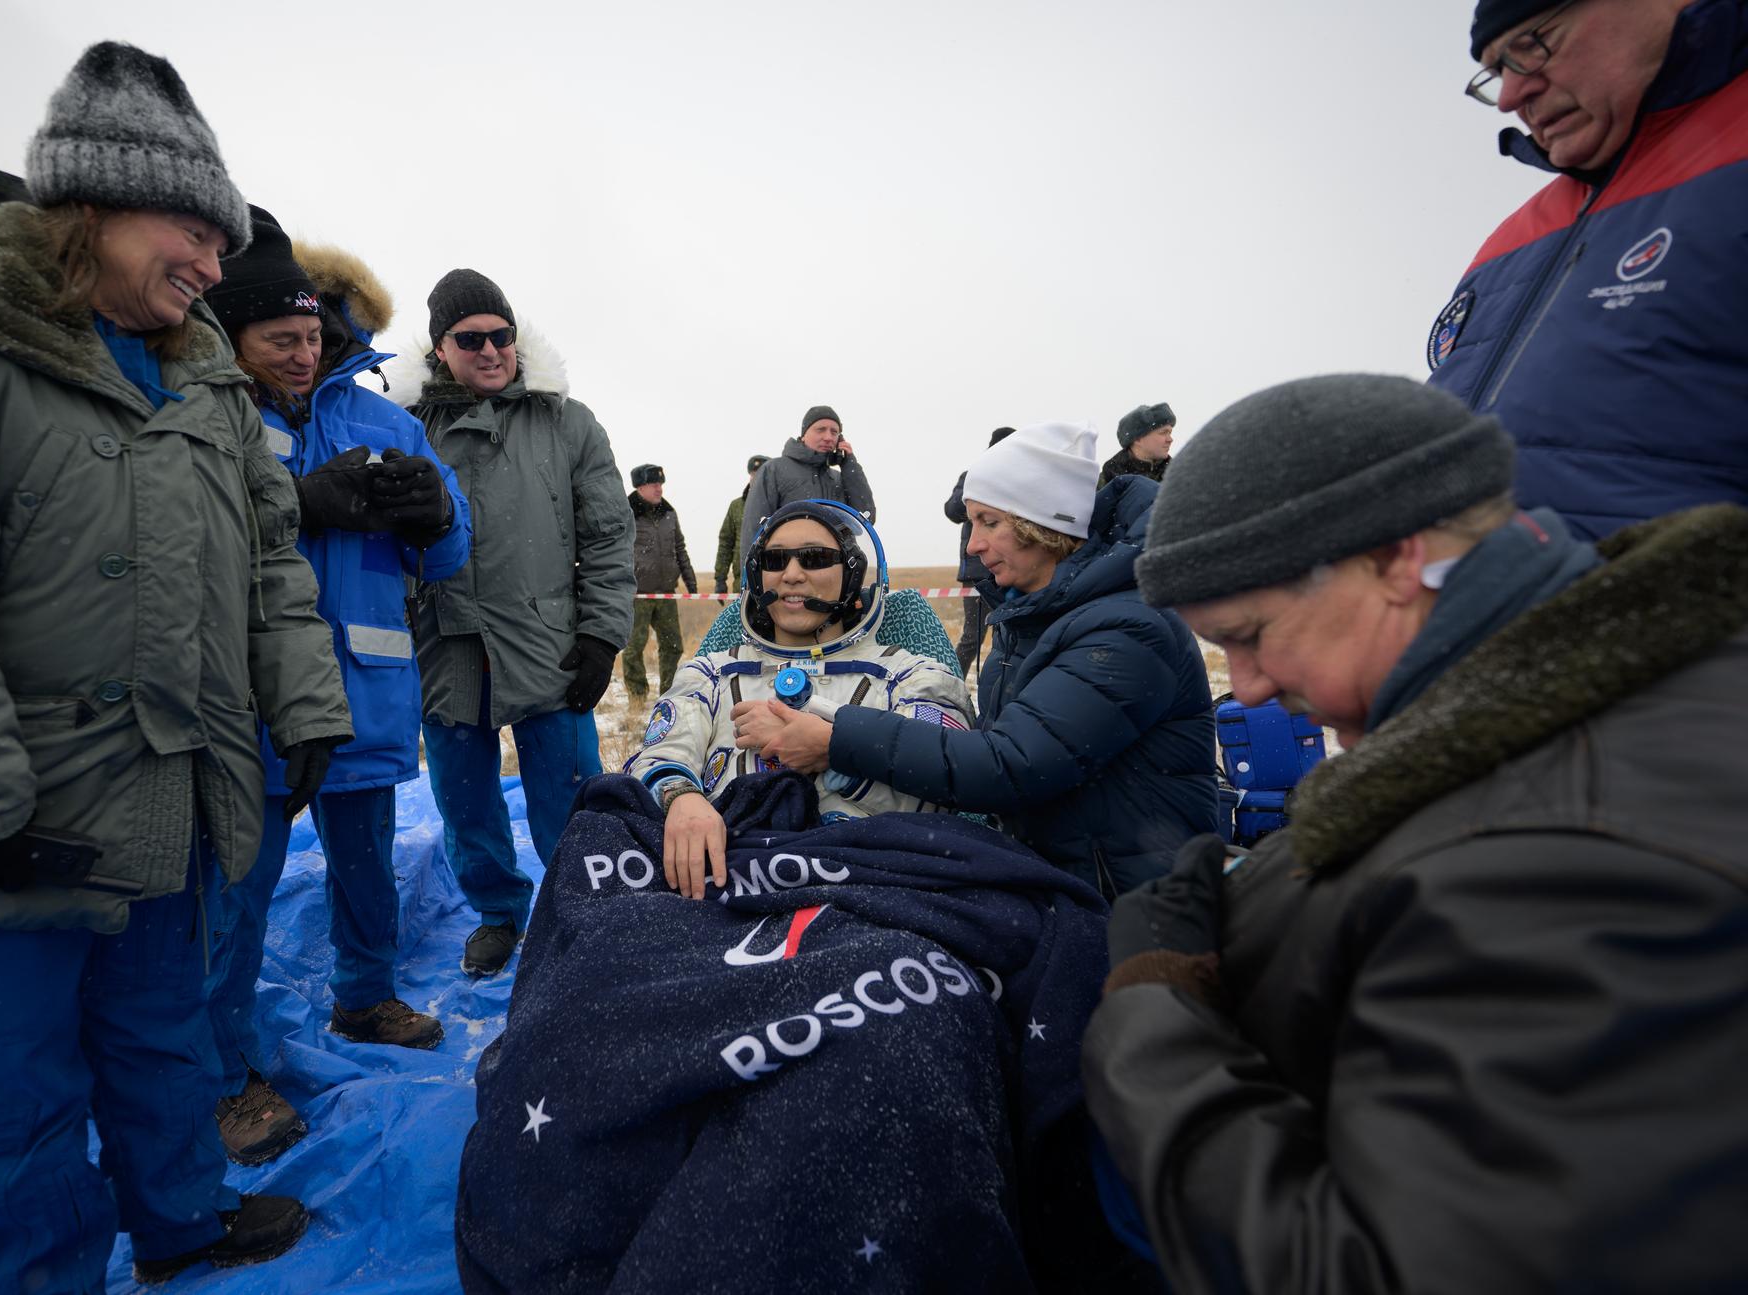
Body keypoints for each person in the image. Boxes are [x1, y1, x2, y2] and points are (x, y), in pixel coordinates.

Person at [0, 43, 350, 1290]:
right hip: (2, 814)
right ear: (97, 202)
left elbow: (270, 558)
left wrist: (305, 704)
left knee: (164, 1037)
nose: (216, 268)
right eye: (195, 231)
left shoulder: (204, 374)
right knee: (18, 1088)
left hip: (171, 786)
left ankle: (179, 1221)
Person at [1084, 373, 1748, 1291]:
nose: (1244, 687)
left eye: (1253, 632)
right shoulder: (1566, 717)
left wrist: (1154, 1012)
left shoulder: (1568, 865)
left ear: (1397, 557)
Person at [202, 207, 471, 1164]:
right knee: (235, 891)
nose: (303, 354)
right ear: (233, 337)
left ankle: (365, 995)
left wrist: (436, 513)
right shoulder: (209, 417)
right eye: (280, 339)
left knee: (368, 864)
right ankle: (224, 1072)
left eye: (315, 336)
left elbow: (450, 553)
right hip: (251, 703)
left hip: (364, 690)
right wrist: (295, 503)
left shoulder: (385, 419)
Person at [739, 423, 1219, 898]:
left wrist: (837, 738)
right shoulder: (1033, 619)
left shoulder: (1126, 630)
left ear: (1047, 524)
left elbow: (1009, 766)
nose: (972, 545)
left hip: (1135, 902)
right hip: (1060, 877)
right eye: (972, 524)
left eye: (989, 521)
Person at [1427, 0, 1748, 537]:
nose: (1509, 96)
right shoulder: (1509, 238)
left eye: (1530, 47)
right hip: (1482, 611)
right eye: (1497, 71)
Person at [408, 268, 634, 978]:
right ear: (440, 347)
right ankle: (498, 913)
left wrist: (601, 635)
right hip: (444, 644)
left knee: (571, 795)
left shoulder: (568, 421)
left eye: (500, 334)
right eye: (469, 338)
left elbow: (606, 534)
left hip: (549, 642)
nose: (489, 349)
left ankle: (589, 912)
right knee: (464, 798)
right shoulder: (408, 427)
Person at [624, 500, 972, 898]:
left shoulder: (912, 677)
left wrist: (836, 753)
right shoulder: (711, 674)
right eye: (774, 560)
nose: (791, 574)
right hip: (722, 884)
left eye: (815, 558)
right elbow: (659, 756)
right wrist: (682, 798)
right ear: (758, 577)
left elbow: (940, 791)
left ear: (852, 573)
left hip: (862, 891)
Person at [740, 405, 877, 548]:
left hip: (835, 567)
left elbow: (865, 519)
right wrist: (749, 570)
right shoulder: (773, 470)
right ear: (804, 434)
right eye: (821, 430)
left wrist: (850, 464)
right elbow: (753, 530)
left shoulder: (840, 479)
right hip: (789, 566)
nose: (828, 437)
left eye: (834, 432)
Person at [624, 463, 697, 700]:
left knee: (673, 646)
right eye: (654, 484)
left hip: (666, 592)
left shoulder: (669, 513)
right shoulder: (626, 514)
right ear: (641, 487)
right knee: (634, 647)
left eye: (661, 484)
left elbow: (679, 548)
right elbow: (616, 550)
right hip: (637, 594)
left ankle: (668, 693)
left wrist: (690, 580)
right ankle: (637, 696)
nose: (659, 489)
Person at [946, 427, 1015, 676]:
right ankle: (952, 682)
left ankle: (1004, 684)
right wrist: (981, 485)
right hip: (978, 571)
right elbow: (952, 510)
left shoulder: (1020, 479)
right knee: (973, 637)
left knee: (1010, 634)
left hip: (1013, 567)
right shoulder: (973, 476)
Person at [713, 452, 768, 595]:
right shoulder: (736, 506)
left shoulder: (778, 506)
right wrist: (720, 578)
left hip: (770, 579)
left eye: (760, 474)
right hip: (743, 582)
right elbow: (726, 543)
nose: (755, 478)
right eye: (753, 474)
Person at [1097, 402, 1173, 486]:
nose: (1170, 439)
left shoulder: (1178, 475)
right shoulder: (1107, 480)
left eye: (1170, 433)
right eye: (1163, 433)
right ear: (1138, 439)